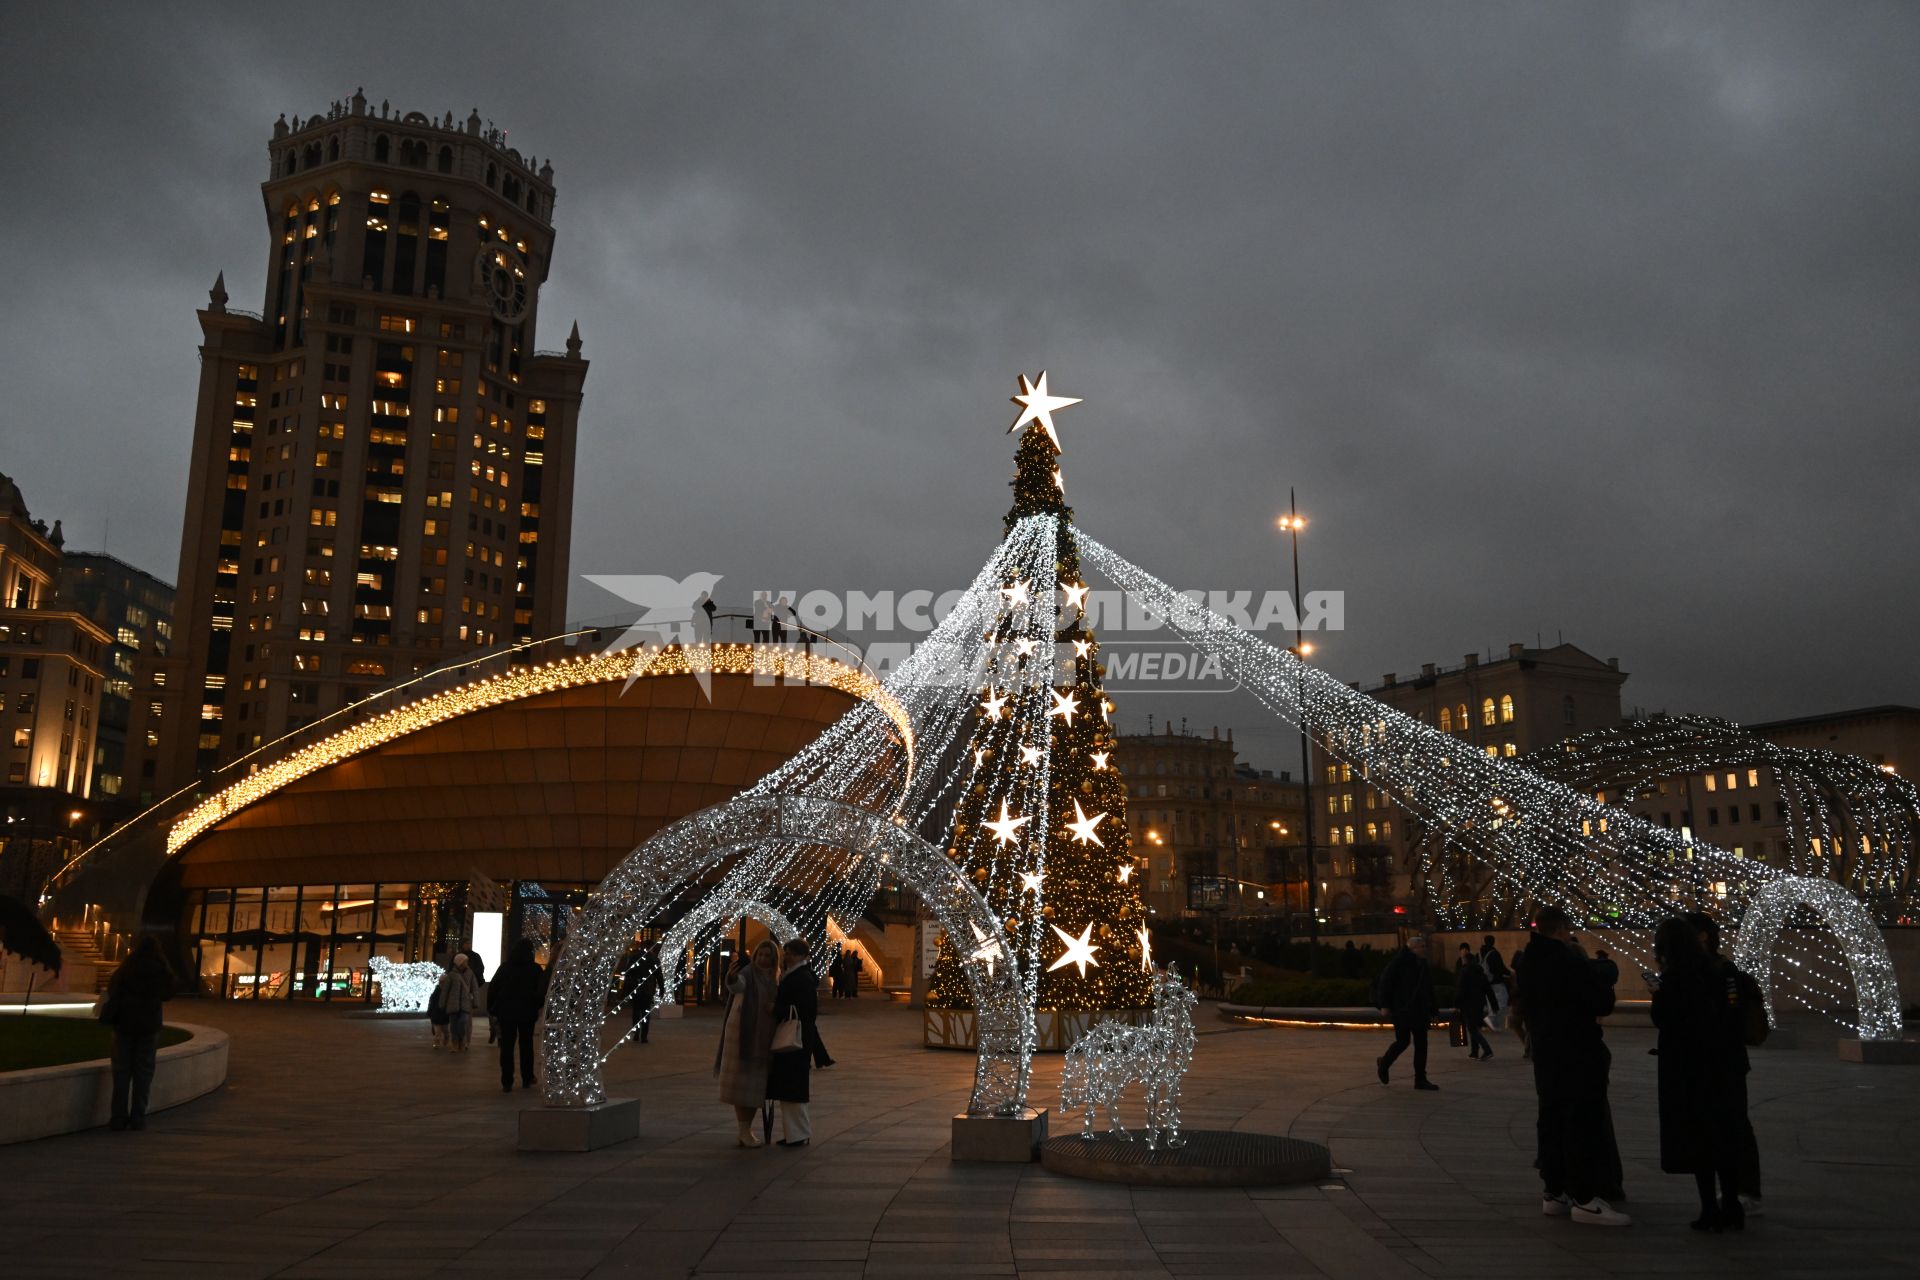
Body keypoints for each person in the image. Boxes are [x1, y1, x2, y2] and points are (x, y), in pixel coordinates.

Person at [1512, 905, 1629, 1226]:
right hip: (1577, 1050)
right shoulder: (1568, 962)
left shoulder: (1528, 962)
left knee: (1550, 1117)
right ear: (1562, 929)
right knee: (1582, 1121)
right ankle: (1585, 1198)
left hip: (1546, 1052)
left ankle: (1554, 1191)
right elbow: (1601, 1001)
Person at [1650, 916, 1749, 1231]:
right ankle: (1732, 1203)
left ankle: (1709, 1208)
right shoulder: (1720, 970)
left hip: (1690, 1069)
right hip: (1726, 1065)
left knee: (1700, 1137)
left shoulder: (1676, 978)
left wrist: (1658, 992)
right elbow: (1735, 1014)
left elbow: (1664, 1018)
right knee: (1726, 1134)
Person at [1687, 912, 1763, 1216]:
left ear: (1704, 935)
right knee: (1711, 1127)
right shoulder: (1690, 971)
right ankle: (1728, 1192)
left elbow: (1728, 1018)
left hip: (1724, 1062)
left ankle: (1744, 1191)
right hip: (1707, 1062)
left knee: (1734, 1125)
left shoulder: (1722, 971)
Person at [101, 936, 174, 1131]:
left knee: (121, 1072)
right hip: (148, 1026)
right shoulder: (160, 968)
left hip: (124, 1024)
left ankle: (118, 1117)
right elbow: (169, 993)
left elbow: (112, 988)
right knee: (144, 1073)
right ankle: (138, 1117)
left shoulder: (127, 967)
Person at [716, 938, 779, 1147]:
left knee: (755, 1087)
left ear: (773, 959)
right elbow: (737, 986)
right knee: (742, 1086)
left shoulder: (773, 978)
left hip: (763, 1038)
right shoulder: (747, 973)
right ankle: (743, 1130)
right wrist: (731, 978)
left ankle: (746, 1129)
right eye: (760, 955)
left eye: (767, 956)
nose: (762, 959)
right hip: (744, 1037)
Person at [767, 937, 821, 1147]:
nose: (786, 956)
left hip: (796, 1040)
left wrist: (777, 1009)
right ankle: (794, 1133)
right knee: (790, 1086)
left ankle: (797, 1134)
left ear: (800, 955)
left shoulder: (800, 977)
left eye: (790, 953)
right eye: (786, 952)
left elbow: (805, 1010)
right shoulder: (798, 975)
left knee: (793, 1086)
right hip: (798, 1039)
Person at [1373, 929, 1439, 1091]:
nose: (1425, 949)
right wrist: (1384, 1005)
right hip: (1402, 1010)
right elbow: (1385, 983)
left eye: (1424, 946)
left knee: (1421, 1044)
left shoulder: (1422, 964)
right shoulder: (1399, 962)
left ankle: (1421, 1079)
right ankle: (1384, 1063)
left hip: (1420, 1010)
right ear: (1413, 948)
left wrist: (1433, 1010)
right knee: (1403, 1041)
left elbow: (1428, 988)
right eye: (1422, 946)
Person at [488, 938, 548, 1092]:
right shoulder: (535, 969)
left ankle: (507, 1081)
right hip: (526, 1013)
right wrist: (536, 1006)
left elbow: (493, 988)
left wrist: (492, 1008)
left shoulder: (505, 968)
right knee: (526, 1045)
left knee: (507, 1046)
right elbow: (540, 992)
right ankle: (527, 1077)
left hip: (506, 1012)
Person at [436, 953, 483, 1052]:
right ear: (460, 963)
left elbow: (474, 988)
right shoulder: (451, 975)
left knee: (462, 1022)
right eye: (465, 961)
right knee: (453, 1026)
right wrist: (442, 1003)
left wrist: (476, 1002)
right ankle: (454, 1044)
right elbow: (446, 990)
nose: (467, 963)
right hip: (453, 1004)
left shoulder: (470, 973)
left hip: (466, 1004)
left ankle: (462, 1039)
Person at [618, 941, 661, 1044]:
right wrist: (662, 989)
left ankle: (636, 1033)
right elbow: (659, 975)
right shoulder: (654, 959)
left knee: (636, 1012)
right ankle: (644, 1036)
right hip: (648, 989)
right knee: (645, 1013)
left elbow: (627, 973)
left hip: (636, 988)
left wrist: (624, 989)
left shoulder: (634, 957)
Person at [1456, 953, 1494, 1060]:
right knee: (1474, 1027)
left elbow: (1460, 989)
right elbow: (1488, 989)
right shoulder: (1480, 972)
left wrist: (1456, 1003)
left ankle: (1487, 1050)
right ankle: (1474, 1051)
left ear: (1466, 960)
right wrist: (1494, 1004)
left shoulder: (1465, 972)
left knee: (1472, 1029)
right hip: (1479, 1004)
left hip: (1467, 1004)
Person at [1480, 935, 1511, 1029]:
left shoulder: (1482, 953)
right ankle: (1495, 1024)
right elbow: (1499, 968)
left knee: (1491, 1005)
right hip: (1497, 983)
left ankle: (1493, 1025)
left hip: (1488, 983)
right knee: (1502, 1002)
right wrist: (1509, 973)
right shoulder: (1494, 954)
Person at [467, 949, 493, 1045]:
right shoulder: (454, 974)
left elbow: (474, 989)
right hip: (457, 1001)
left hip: (467, 999)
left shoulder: (471, 973)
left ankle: (465, 1040)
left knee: (465, 1020)